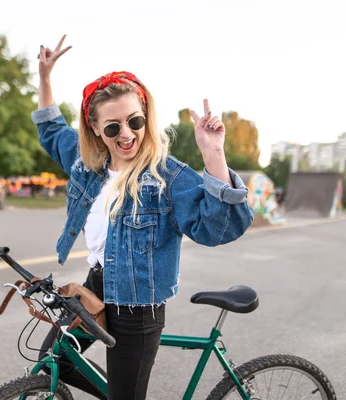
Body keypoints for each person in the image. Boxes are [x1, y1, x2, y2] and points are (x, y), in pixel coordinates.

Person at [32, 35, 255, 400]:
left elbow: (219, 228)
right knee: (57, 357)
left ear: (146, 117)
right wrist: (44, 78)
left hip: (138, 305)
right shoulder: (87, 165)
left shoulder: (168, 175)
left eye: (134, 121)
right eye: (112, 127)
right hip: (98, 285)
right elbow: (52, 131)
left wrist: (215, 154)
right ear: (95, 130)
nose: (127, 134)